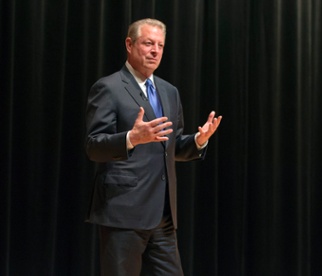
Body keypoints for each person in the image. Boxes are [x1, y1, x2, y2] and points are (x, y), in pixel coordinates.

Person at [85, 18, 222, 275]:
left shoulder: (169, 92)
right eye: (148, 43)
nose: (155, 50)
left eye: (160, 45)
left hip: (162, 215)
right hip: (123, 212)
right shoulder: (109, 87)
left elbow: (171, 147)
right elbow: (94, 146)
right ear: (129, 44)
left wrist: (198, 140)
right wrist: (131, 138)